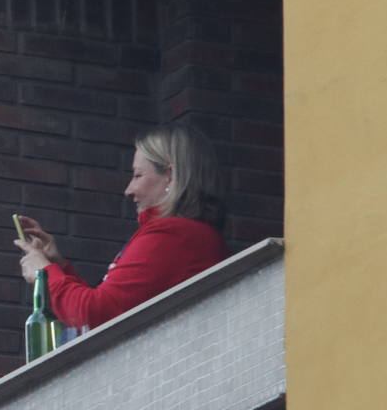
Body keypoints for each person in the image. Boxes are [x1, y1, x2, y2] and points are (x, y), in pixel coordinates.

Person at [14, 124, 228, 330]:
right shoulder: (183, 234)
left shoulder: (172, 235)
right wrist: (58, 268)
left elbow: (95, 315)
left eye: (137, 175)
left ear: (170, 175)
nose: (128, 190)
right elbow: (108, 313)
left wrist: (45, 274)